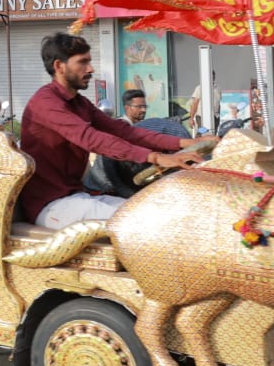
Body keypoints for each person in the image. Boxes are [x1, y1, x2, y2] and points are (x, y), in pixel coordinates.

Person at [19, 34, 208, 229]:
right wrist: (156, 158)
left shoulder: (80, 103)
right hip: (51, 206)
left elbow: (124, 131)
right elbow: (92, 139)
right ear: (59, 66)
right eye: (82, 62)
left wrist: (186, 144)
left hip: (76, 197)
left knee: (154, 210)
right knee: (146, 221)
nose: (91, 69)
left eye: (89, 62)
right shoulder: (45, 103)